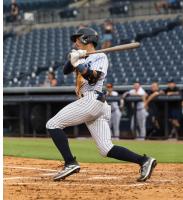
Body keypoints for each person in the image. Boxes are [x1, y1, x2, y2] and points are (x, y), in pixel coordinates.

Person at [46, 27, 157, 182]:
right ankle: (144, 161)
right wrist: (73, 59)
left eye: (78, 39)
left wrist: (78, 63)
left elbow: (92, 78)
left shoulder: (100, 56)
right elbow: (65, 70)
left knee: (52, 124)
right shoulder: (82, 56)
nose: (75, 43)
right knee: (106, 149)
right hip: (94, 104)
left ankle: (70, 162)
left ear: (86, 39)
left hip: (91, 99)